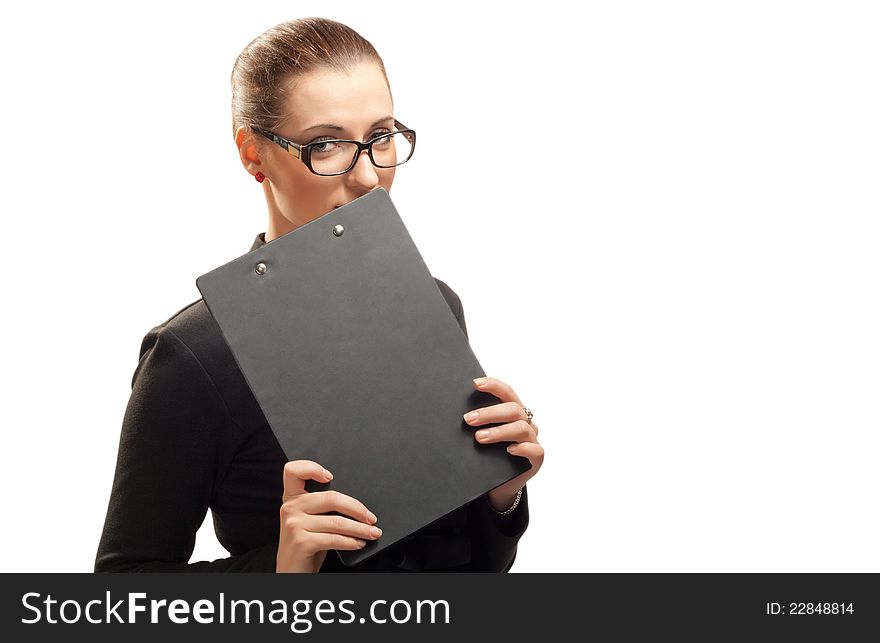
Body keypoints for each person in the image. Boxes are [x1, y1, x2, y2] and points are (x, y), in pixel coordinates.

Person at [95, 17, 544, 573]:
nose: (368, 177)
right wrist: (281, 570)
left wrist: (505, 491)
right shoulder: (193, 355)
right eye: (325, 144)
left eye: (380, 137)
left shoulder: (438, 303)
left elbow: (473, 566)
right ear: (253, 155)